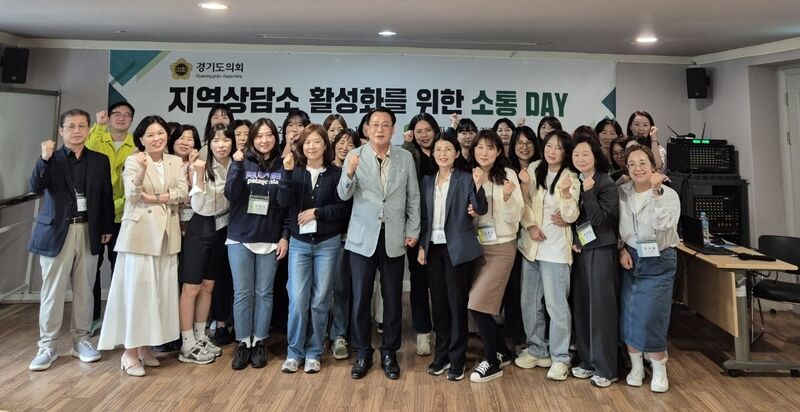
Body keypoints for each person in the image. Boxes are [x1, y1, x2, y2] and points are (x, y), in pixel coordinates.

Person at [98, 115, 188, 377]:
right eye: (150, 134)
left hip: (166, 236)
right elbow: (133, 196)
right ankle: (129, 352)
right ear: (141, 139)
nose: (157, 138)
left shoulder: (174, 162)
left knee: (158, 294)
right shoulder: (134, 160)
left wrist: (157, 197)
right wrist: (141, 173)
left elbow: (183, 193)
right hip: (139, 236)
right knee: (137, 295)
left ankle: (145, 347)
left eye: (161, 133)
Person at [27, 109, 115, 371]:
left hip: (88, 229)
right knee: (52, 291)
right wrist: (44, 159)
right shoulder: (51, 159)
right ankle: (48, 345)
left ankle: (81, 340)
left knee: (85, 289)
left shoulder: (99, 160)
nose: (77, 131)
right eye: (71, 126)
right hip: (57, 232)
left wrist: (106, 227)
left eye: (82, 126)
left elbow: (105, 196)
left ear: (88, 129)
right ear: (61, 131)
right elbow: (35, 187)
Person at [337, 107, 420, 380]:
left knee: (393, 299)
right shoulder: (354, 155)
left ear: (393, 129)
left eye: (385, 124)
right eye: (375, 124)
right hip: (362, 238)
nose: (380, 129)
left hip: (394, 235)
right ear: (367, 129)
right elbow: (343, 195)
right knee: (361, 299)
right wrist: (349, 173)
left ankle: (389, 352)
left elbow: (413, 196)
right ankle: (362, 352)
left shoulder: (405, 157)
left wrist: (413, 229)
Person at [277, 124, 351, 374]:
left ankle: (314, 352)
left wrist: (317, 212)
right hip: (299, 244)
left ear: (325, 145)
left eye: (317, 141)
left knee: (320, 300)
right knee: (298, 299)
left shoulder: (336, 173)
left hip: (327, 244)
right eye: (307, 142)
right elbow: (283, 202)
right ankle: (294, 352)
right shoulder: (294, 171)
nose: (311, 146)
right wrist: (287, 173)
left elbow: (343, 208)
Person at [417, 133, 488, 381]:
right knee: (438, 305)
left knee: (456, 305)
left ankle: (457, 359)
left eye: (448, 149)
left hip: (457, 249)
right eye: (438, 149)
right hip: (433, 248)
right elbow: (424, 217)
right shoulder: (427, 181)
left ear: (457, 153)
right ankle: (442, 355)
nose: (442, 153)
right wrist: (422, 246)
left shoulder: (466, 178)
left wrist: (479, 185)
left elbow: (479, 208)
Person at [224, 118, 289, 370]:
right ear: (252, 138)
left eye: (269, 135)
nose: (264, 140)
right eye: (259, 136)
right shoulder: (242, 161)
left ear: (275, 137)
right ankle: (243, 342)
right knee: (242, 293)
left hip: (270, 239)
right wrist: (237, 165)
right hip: (240, 237)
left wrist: (284, 236)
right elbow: (231, 194)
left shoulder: (283, 163)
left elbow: (286, 204)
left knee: (264, 293)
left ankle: (259, 340)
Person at [515, 130, 580, 381]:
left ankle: (561, 357)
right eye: (549, 146)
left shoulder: (571, 177)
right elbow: (523, 203)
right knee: (529, 303)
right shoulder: (534, 169)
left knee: (556, 306)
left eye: (559, 147)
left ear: (566, 152)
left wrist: (566, 195)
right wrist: (531, 226)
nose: (552, 151)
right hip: (532, 248)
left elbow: (571, 216)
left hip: (556, 251)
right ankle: (537, 349)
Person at [618, 145, 680, 393]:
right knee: (630, 313)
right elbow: (617, 225)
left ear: (654, 167)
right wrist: (621, 249)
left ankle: (659, 367)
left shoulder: (668, 194)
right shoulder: (622, 192)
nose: (637, 168)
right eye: (632, 164)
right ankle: (636, 366)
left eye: (643, 163)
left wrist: (655, 192)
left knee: (653, 315)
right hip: (631, 258)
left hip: (659, 259)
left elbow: (664, 225)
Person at [466, 130, 523, 383]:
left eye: (490, 148)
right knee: (481, 305)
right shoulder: (470, 175)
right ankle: (503, 351)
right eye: (480, 147)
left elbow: (516, 217)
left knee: (477, 304)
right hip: (477, 248)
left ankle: (492, 362)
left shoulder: (508, 175)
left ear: (498, 151)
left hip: (502, 247)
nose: (484, 152)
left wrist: (508, 198)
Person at [177, 123, 234, 364]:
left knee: (209, 285)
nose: (221, 145)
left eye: (226, 140)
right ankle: (187, 342)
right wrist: (198, 175)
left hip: (222, 228)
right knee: (191, 287)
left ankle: (201, 336)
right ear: (209, 144)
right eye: (216, 140)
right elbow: (198, 205)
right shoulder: (200, 165)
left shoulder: (235, 165)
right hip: (200, 227)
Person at [568, 133, 620, 388]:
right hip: (583, 250)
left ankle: (607, 368)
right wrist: (575, 239)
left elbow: (599, 219)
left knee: (601, 309)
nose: (580, 158)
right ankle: (588, 360)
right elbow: (577, 219)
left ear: (596, 156)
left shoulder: (605, 183)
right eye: (576, 154)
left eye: (585, 154)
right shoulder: (574, 180)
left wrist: (588, 192)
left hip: (601, 250)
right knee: (583, 306)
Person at [85, 102, 136, 335]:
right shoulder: (97, 137)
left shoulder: (136, 145)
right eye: (117, 114)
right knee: (91, 269)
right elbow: (85, 150)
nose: (122, 118)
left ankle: (118, 319)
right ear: (109, 117)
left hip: (123, 216)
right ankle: (93, 316)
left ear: (132, 120)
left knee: (121, 268)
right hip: (95, 216)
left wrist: (116, 205)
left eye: (127, 115)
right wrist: (98, 125)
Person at [401, 113, 438, 357]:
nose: (424, 135)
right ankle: (423, 331)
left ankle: (444, 330)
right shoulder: (409, 154)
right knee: (419, 280)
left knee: (442, 283)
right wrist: (406, 145)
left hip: (443, 227)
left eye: (428, 130)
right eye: (419, 131)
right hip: (416, 224)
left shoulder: (444, 150)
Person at [329, 128, 360, 360]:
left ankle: (341, 334)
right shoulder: (327, 170)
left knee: (345, 289)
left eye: (350, 144)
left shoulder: (361, 170)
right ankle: (329, 332)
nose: (344, 147)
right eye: (341, 142)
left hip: (354, 238)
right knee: (327, 290)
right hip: (329, 236)